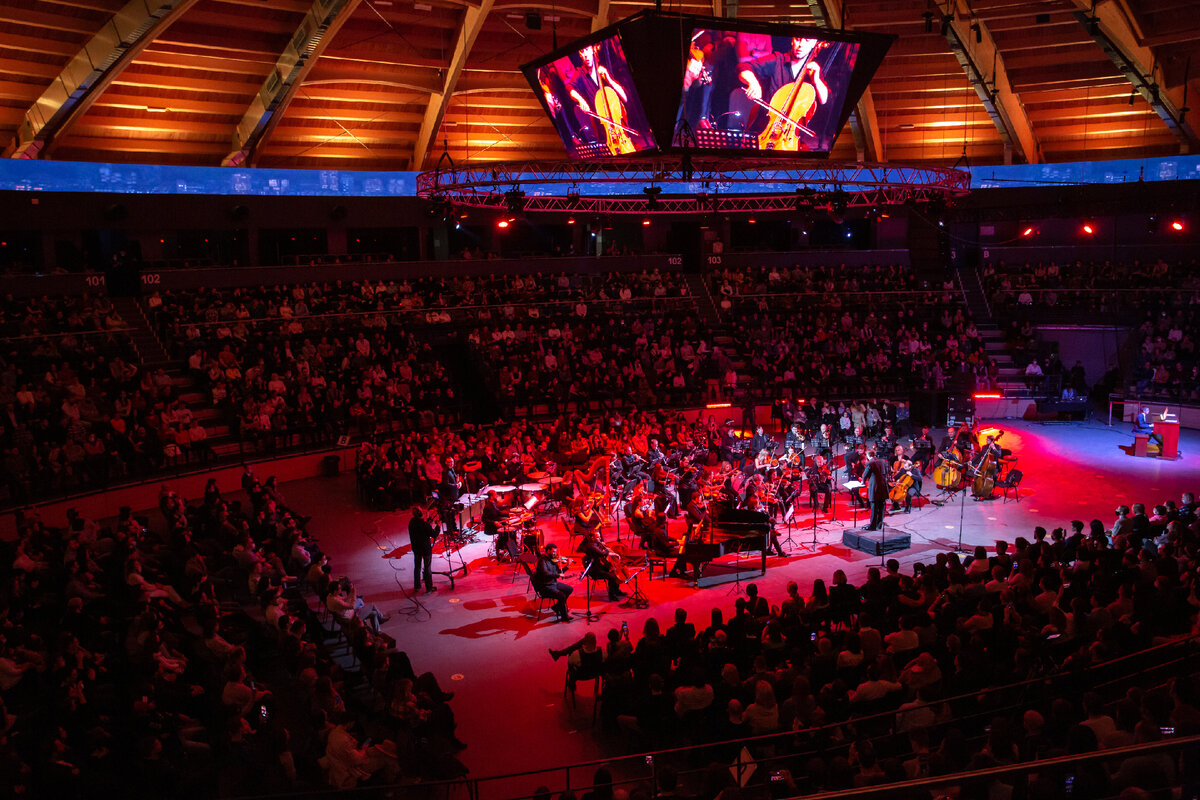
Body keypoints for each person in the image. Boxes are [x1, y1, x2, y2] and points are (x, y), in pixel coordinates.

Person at [737, 37, 830, 151]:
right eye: (798, 39)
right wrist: (754, 83)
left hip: (790, 136)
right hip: (763, 128)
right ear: (792, 40)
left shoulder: (812, 70)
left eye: (807, 41)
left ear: (814, 44)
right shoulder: (777, 60)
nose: (800, 45)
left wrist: (816, 79)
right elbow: (743, 68)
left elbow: (824, 99)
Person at [579, 529, 627, 602]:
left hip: (598, 565)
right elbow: (601, 553)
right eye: (598, 537)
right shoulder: (590, 546)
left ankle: (616, 591)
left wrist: (601, 545)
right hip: (594, 569)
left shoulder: (594, 543)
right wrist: (614, 554)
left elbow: (600, 552)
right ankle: (612, 595)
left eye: (599, 537)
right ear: (593, 538)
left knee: (614, 572)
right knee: (612, 576)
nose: (600, 538)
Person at [533, 542, 573, 622]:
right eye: (553, 552)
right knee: (562, 595)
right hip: (545, 587)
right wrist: (558, 575)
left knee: (569, 589)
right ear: (548, 551)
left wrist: (567, 565)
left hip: (553, 584)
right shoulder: (542, 561)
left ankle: (556, 607)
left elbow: (559, 572)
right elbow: (546, 573)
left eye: (555, 552)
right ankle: (564, 616)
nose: (555, 554)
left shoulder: (553, 560)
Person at [408, 505, 436, 594]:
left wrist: (427, 524)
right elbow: (434, 534)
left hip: (416, 548)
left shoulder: (411, 522)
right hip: (426, 549)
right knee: (427, 568)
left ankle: (417, 586)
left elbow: (421, 528)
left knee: (417, 567)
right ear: (421, 514)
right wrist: (437, 526)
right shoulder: (424, 525)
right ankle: (429, 588)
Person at [863, 448, 890, 531]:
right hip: (883, 485)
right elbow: (886, 471)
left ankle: (872, 526)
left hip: (875, 487)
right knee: (882, 505)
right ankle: (879, 524)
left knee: (874, 506)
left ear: (868, 455)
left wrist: (863, 481)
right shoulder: (882, 461)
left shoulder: (870, 463)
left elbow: (865, 475)